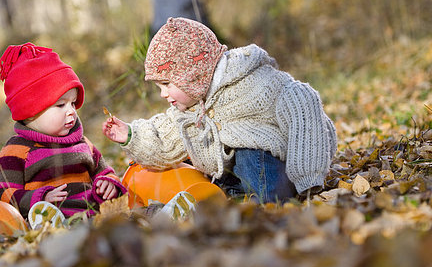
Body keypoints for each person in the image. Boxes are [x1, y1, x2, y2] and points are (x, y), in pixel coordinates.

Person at [103, 17, 337, 203]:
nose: (163, 94)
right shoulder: (191, 107)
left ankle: (268, 203)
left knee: (249, 155)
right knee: (210, 169)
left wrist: (308, 178)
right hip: (230, 173)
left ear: (192, 75)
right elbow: (165, 137)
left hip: (277, 162)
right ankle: (227, 200)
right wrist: (130, 135)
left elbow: (302, 102)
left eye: (167, 84)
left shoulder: (252, 83)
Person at [0, 43, 127, 228]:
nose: (71, 111)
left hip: (93, 216)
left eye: (73, 103)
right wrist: (39, 198)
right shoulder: (17, 151)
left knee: (125, 212)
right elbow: (1, 194)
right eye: (60, 105)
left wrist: (108, 183)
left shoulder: (81, 142)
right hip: (51, 222)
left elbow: (104, 171)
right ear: (31, 112)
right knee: (49, 222)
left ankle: (166, 210)